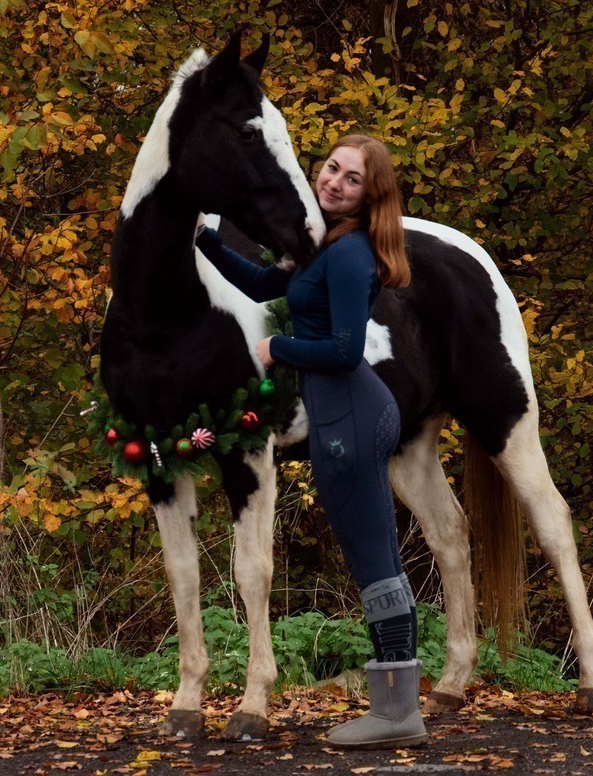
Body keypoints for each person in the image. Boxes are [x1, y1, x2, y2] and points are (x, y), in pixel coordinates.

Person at [195, 134, 426, 749]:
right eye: (332, 168)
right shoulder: (321, 244)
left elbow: (346, 350)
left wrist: (279, 347)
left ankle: (397, 713)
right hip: (338, 419)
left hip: (353, 417)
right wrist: (205, 240)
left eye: (353, 179)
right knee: (371, 556)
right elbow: (261, 285)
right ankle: (396, 706)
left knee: (375, 560)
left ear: (370, 195)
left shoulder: (349, 255)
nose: (334, 182)